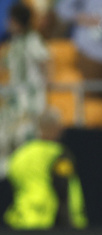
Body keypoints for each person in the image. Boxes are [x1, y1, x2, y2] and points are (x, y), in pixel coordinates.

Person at [4, 108, 88, 229]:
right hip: (50, 223)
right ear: (55, 128)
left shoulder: (20, 155)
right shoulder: (59, 155)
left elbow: (12, 179)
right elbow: (64, 188)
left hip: (22, 220)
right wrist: (73, 223)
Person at [0, 2, 48, 173]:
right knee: (4, 135)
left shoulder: (32, 40)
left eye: (9, 20)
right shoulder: (14, 43)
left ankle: (27, 171)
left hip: (30, 101)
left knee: (24, 136)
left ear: (15, 21)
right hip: (15, 100)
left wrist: (44, 85)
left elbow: (45, 61)